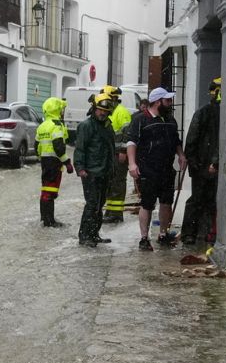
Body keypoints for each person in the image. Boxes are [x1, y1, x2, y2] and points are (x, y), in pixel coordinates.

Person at [126, 87, 186, 251]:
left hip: (166, 168)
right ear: (158, 102)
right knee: (147, 204)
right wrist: (132, 164)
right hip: (147, 169)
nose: (170, 103)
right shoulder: (140, 120)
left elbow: (176, 141)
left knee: (166, 202)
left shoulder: (170, 120)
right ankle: (144, 238)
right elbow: (131, 142)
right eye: (167, 101)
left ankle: (163, 234)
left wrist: (181, 155)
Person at [181, 77, 222, 245]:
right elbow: (192, 140)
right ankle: (189, 233)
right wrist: (196, 164)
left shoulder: (225, 112)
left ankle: (204, 233)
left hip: (213, 164)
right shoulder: (204, 112)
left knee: (210, 201)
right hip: (202, 165)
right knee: (197, 199)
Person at [74, 95, 116, 247]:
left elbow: (110, 149)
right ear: (94, 108)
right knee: (92, 204)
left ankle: (94, 234)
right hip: (91, 172)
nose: (102, 113)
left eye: (105, 110)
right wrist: (80, 168)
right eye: (100, 110)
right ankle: (85, 236)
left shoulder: (107, 126)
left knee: (100, 204)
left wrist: (112, 170)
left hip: (104, 171)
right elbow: (80, 148)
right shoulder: (86, 126)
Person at [35, 96, 74, 227]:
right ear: (57, 110)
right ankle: (49, 221)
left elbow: (36, 146)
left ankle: (44, 218)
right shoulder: (57, 125)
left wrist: (42, 158)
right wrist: (67, 162)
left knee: (45, 190)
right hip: (54, 162)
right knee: (50, 192)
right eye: (61, 109)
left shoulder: (42, 126)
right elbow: (59, 147)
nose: (63, 111)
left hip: (45, 162)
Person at [100, 85, 133, 224]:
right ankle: (110, 211)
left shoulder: (121, 112)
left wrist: (123, 151)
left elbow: (128, 134)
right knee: (110, 183)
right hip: (110, 154)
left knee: (117, 183)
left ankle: (116, 214)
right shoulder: (110, 112)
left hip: (119, 154)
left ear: (113, 98)